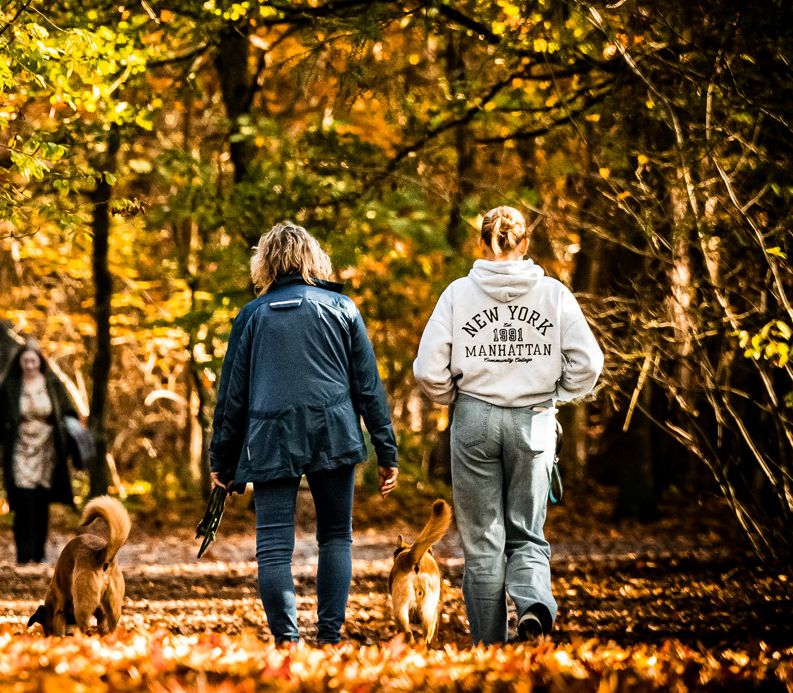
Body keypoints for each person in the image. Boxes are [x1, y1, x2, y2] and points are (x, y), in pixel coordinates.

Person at [413, 206, 603, 644]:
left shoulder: (458, 294)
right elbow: (589, 363)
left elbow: (427, 370)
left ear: (481, 243)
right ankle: (533, 607)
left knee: (483, 542)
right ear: (525, 244)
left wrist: (454, 397)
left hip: (474, 420)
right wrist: (557, 393)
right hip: (534, 420)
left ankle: (489, 647)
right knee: (527, 533)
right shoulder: (553, 294)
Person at [209, 221, 399, 647]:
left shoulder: (251, 316)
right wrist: (386, 450)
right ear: (313, 259)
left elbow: (232, 396)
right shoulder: (342, 308)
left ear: (265, 265)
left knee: (273, 545)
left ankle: (288, 642)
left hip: (270, 437)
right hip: (334, 431)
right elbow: (368, 387)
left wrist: (221, 459)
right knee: (335, 536)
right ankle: (329, 638)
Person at [0, 340, 84, 564]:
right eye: (25, 361)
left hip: (47, 449)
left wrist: (77, 446)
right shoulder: (10, 386)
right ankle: (24, 552)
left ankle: (39, 553)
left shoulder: (52, 384)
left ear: (40, 362)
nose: (29, 365)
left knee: (41, 501)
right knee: (23, 500)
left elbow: (69, 413)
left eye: (33, 361)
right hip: (20, 447)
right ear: (19, 362)